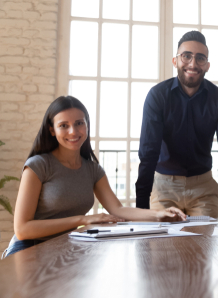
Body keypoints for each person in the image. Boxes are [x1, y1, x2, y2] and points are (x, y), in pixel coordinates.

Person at [3, 96, 186, 258]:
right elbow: (22, 229)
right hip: (28, 250)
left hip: (64, 249)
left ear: (87, 125)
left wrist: (159, 214)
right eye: (63, 125)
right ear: (52, 130)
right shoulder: (37, 165)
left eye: (79, 123)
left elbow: (118, 209)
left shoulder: (92, 170)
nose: (73, 131)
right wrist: (82, 220)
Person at [136, 31, 218, 219]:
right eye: (186, 56)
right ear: (175, 61)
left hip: (203, 189)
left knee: (203, 246)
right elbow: (148, 152)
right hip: (164, 189)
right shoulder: (157, 96)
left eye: (200, 58)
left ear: (207, 65)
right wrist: (141, 205)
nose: (193, 64)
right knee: (162, 247)